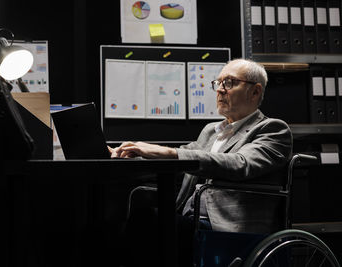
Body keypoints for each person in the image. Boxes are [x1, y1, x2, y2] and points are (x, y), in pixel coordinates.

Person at [109, 58, 293, 266]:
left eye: (229, 82)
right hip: (192, 218)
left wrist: (168, 152)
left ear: (255, 91)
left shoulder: (273, 130)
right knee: (121, 222)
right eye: (218, 83)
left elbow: (240, 164)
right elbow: (185, 157)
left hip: (226, 226)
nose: (220, 90)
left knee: (146, 223)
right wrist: (131, 153)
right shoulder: (211, 131)